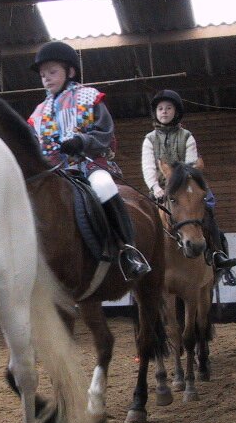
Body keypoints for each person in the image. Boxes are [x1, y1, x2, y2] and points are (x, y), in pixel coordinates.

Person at [27, 41, 151, 280]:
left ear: (70, 71)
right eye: (43, 75)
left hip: (89, 164)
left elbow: (105, 132)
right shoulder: (38, 112)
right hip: (57, 171)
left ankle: (128, 250)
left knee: (104, 186)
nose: (46, 78)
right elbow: (33, 144)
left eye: (52, 72)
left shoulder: (89, 97)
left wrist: (81, 141)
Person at [141, 89, 236, 282]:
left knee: (208, 209)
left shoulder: (187, 136)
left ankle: (218, 255)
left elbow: (192, 164)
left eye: (169, 108)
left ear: (176, 112)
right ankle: (140, 262)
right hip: (161, 189)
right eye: (160, 108)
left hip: (186, 185)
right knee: (144, 220)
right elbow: (148, 166)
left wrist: (184, 184)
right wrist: (155, 187)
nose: (164, 111)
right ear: (156, 113)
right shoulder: (149, 139)